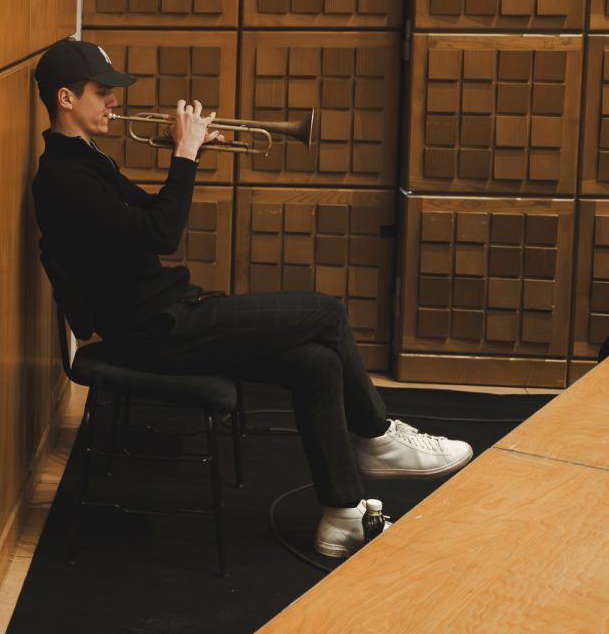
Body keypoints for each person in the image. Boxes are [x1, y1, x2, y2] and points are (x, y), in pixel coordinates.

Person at [30, 38, 472, 558]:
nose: (115, 101)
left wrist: (191, 155)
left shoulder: (86, 161)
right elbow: (162, 235)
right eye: (102, 92)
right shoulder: (62, 177)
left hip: (168, 315)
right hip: (156, 330)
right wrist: (184, 155)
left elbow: (148, 217)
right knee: (326, 311)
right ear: (66, 98)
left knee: (316, 364)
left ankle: (342, 515)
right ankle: (376, 436)